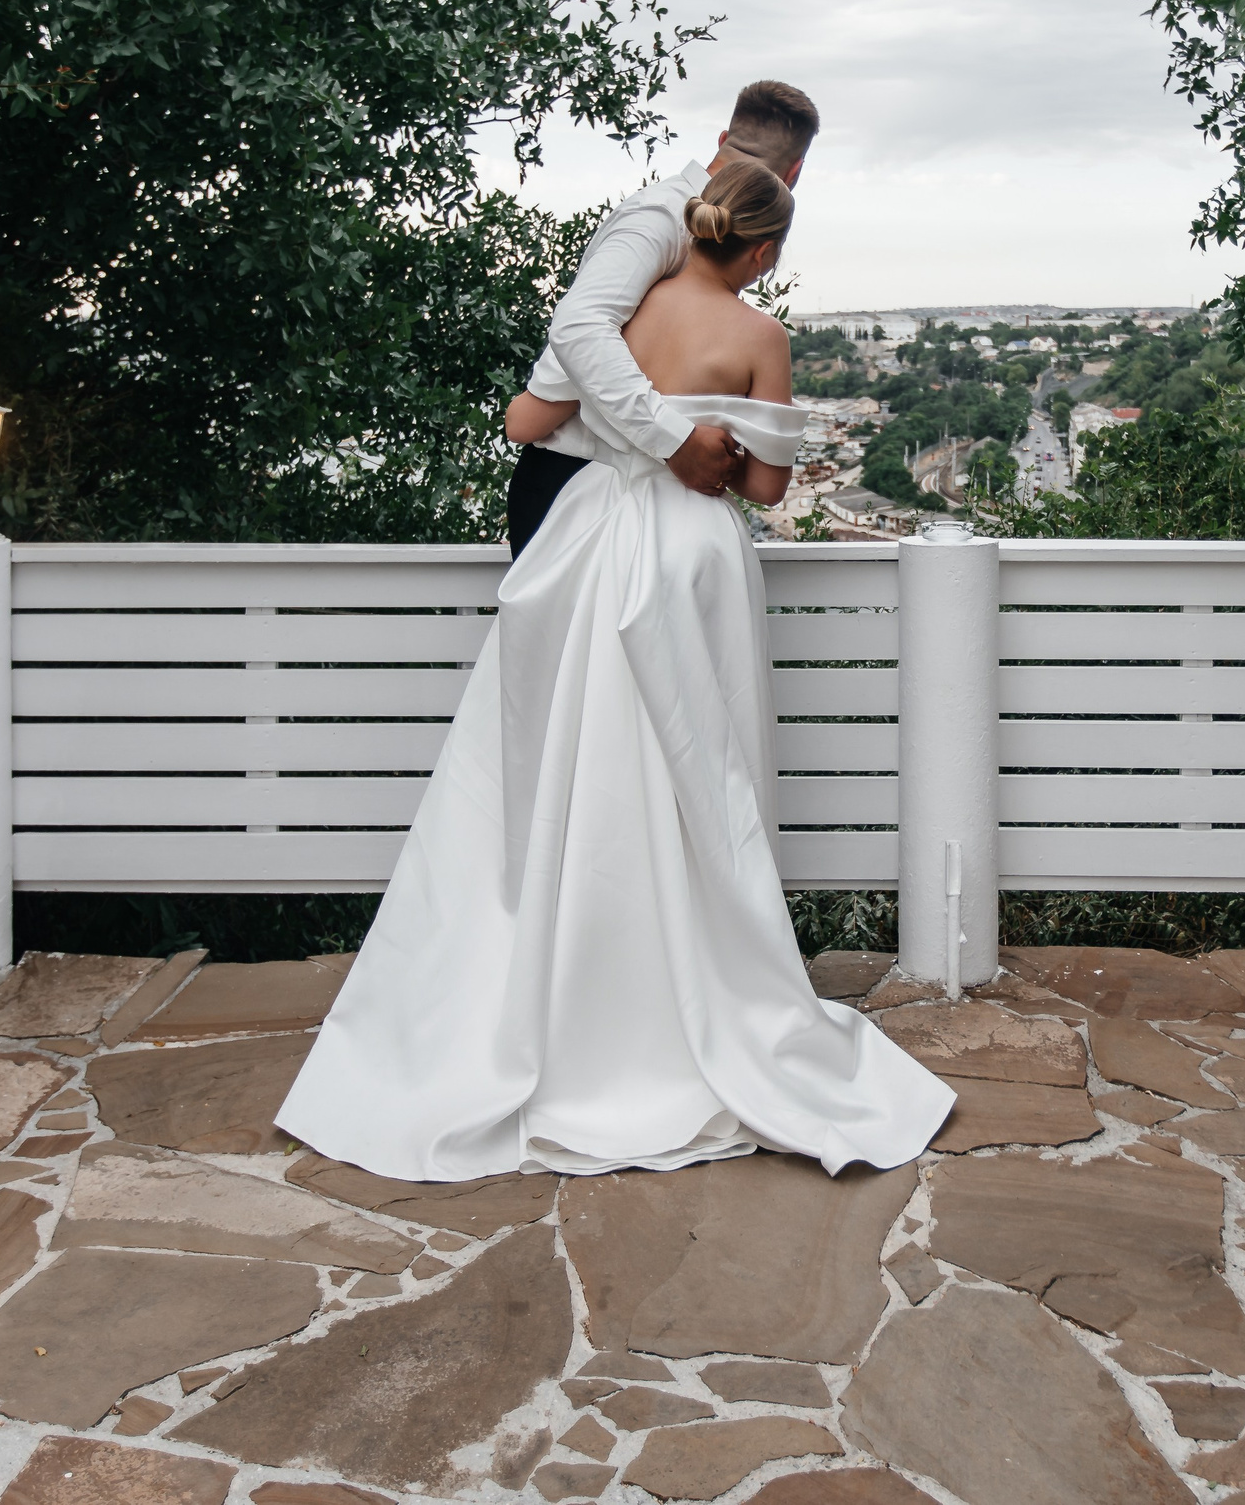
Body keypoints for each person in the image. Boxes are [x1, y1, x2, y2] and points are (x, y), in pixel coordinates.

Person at [276, 157, 954, 1179]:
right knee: (693, 761)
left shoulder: (623, 304)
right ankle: (679, 990)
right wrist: (727, 440)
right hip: (685, 555)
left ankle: (550, 988)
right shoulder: (760, 335)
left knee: (577, 749)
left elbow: (534, 416)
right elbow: (766, 487)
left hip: (586, 542)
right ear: (763, 252)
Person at [503, 80, 821, 558]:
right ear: (793, 174)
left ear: (722, 141)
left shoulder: (687, 234)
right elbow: (579, 328)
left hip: (628, 494)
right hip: (577, 483)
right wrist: (678, 440)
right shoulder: (659, 218)